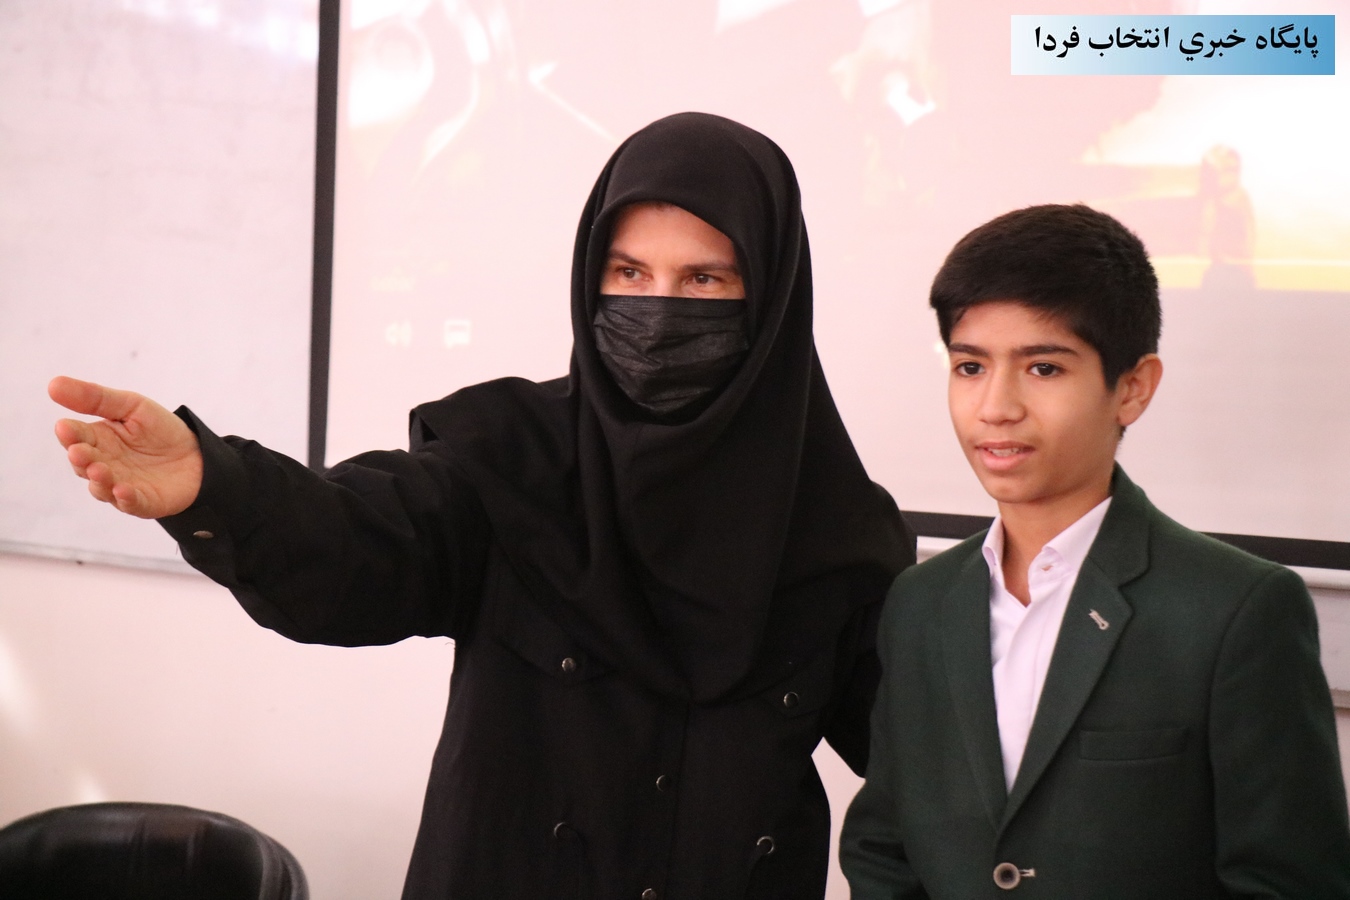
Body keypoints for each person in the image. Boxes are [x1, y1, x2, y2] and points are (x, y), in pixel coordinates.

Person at [50, 112, 915, 899]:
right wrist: (217, 486)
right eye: (628, 272)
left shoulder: (839, 530)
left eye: (703, 280)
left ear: (770, 299)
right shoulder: (507, 459)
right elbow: (358, 542)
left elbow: (931, 767)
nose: (657, 310)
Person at [839, 204, 1350, 898]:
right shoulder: (920, 602)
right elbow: (882, 846)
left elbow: (1288, 881)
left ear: (1132, 388)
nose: (996, 406)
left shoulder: (1237, 610)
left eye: (1044, 368)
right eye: (970, 366)